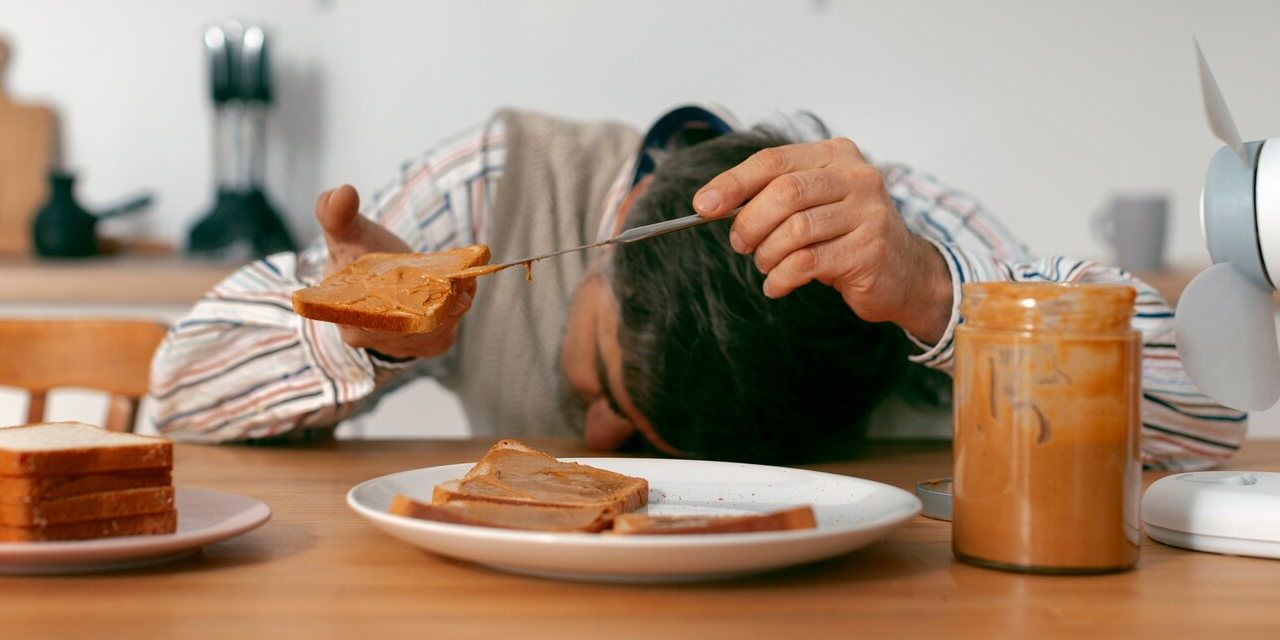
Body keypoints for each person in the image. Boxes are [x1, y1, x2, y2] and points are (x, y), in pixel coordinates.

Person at [147, 104, 1245, 470]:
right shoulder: (491, 189)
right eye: (602, 383)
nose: (592, 437)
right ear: (614, 228)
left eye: (622, 420)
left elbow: (1208, 409)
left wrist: (932, 298)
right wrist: (370, 331)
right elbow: (177, 394)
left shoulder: (889, 242)